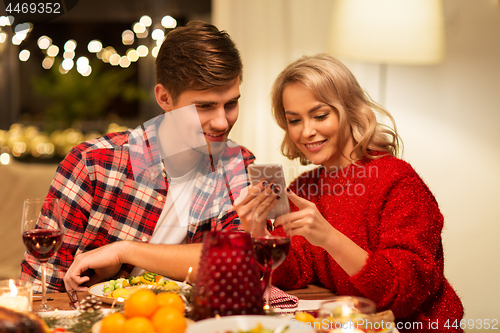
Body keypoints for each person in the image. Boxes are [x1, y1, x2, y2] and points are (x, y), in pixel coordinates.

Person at [21, 21, 263, 293]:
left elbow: (238, 262)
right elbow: (40, 288)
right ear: (164, 98)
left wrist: (124, 251)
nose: (222, 122)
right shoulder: (91, 165)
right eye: (204, 106)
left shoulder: (238, 164)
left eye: (231, 103)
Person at [234, 54, 464, 332]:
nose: (307, 131)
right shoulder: (304, 188)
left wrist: (329, 237)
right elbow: (292, 275)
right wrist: (257, 229)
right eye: (294, 120)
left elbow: (402, 294)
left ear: (350, 110)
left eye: (320, 115)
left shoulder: (399, 182)